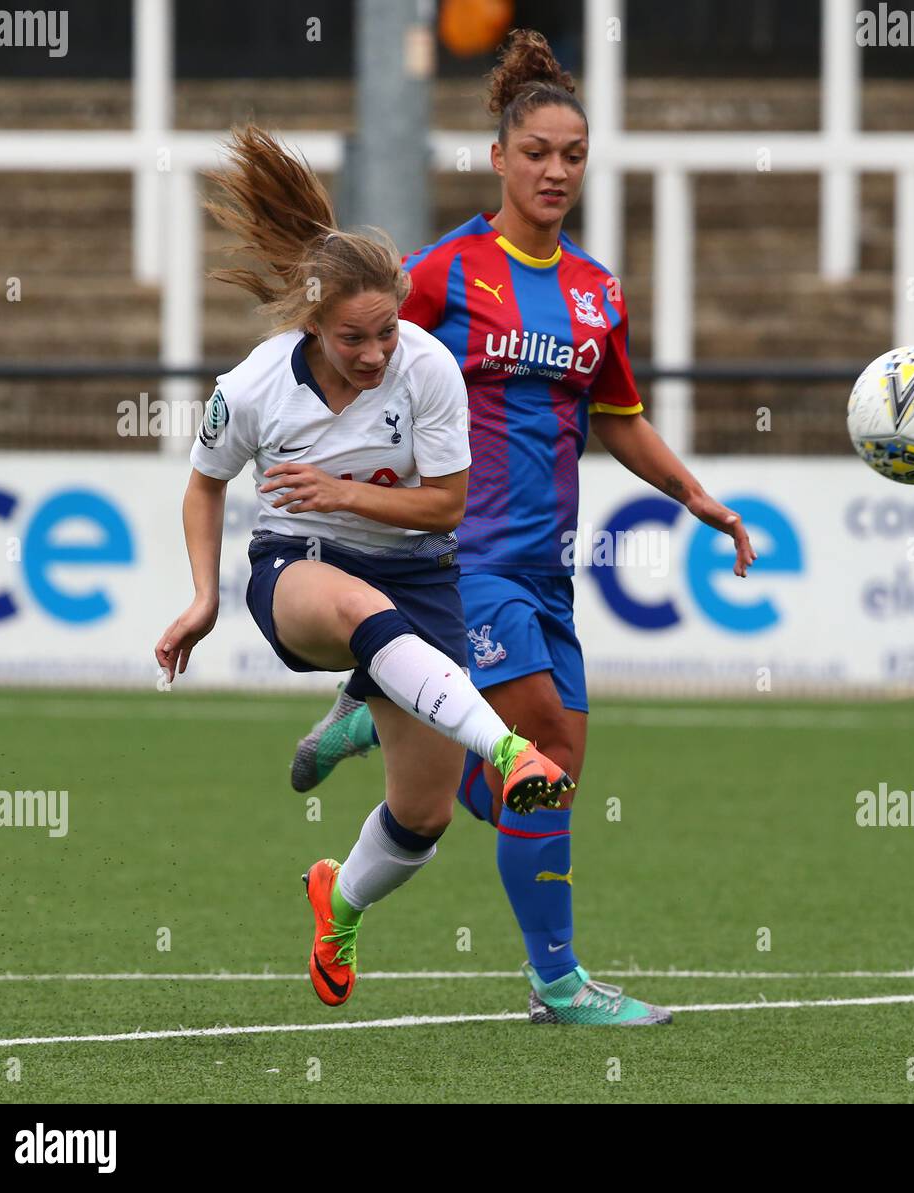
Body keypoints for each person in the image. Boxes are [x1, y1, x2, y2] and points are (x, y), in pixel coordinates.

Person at [292, 29, 756, 1026]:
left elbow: (618, 416)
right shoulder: (440, 274)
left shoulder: (596, 290)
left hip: (548, 571)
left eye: (573, 154)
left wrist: (694, 496)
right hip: (464, 560)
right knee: (538, 740)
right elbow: (351, 354)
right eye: (536, 151)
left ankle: (383, 739)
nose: (554, 170)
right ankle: (557, 982)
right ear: (498, 157)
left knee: (541, 784)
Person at [153, 125, 577, 1011]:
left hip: (418, 572)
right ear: (312, 323)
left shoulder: (427, 369)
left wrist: (346, 495)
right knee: (352, 610)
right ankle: (506, 748)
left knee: (421, 817)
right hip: (298, 569)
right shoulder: (257, 384)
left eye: (387, 329)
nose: (377, 351)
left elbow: (447, 506)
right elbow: (204, 487)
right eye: (355, 338)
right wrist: (203, 595)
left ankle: (336, 902)